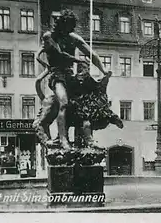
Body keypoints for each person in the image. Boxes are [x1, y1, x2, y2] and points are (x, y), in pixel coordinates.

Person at [35, 9, 110, 150]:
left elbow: (92, 54)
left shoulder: (73, 38)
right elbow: (60, 53)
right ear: (61, 24)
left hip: (70, 76)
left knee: (84, 105)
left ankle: (88, 139)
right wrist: (77, 60)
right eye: (67, 27)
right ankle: (63, 139)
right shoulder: (49, 36)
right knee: (63, 102)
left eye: (71, 28)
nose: (69, 30)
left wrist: (103, 70)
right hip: (56, 76)